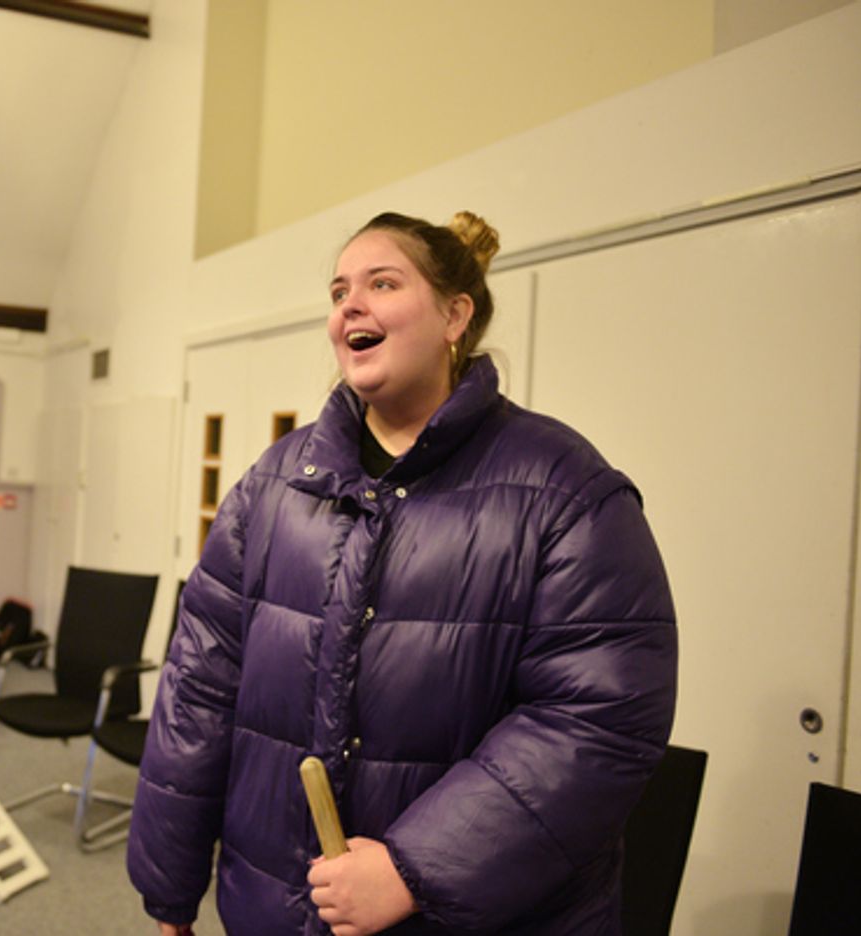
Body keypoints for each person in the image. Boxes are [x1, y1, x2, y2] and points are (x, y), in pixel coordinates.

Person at [127, 211, 677, 935]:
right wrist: (170, 877)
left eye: (382, 283)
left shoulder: (565, 489)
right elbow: (200, 681)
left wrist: (415, 870)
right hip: (277, 903)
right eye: (337, 292)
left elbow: (595, 719)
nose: (349, 305)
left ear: (456, 315)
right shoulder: (275, 484)